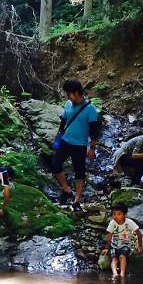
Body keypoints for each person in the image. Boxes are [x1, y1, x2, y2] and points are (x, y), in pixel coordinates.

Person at [51, 79, 100, 211]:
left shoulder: (90, 109)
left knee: (79, 172)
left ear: (77, 93)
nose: (68, 97)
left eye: (69, 94)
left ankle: (77, 199)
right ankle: (67, 189)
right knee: (55, 164)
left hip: (80, 145)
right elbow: (64, 121)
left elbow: (94, 131)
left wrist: (92, 148)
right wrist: (58, 138)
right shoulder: (68, 104)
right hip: (65, 141)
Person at [101, 202, 143, 277]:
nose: (116, 216)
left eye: (119, 214)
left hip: (125, 245)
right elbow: (109, 236)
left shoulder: (129, 222)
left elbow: (139, 234)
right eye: (114, 214)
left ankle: (122, 274)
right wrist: (106, 248)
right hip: (114, 245)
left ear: (125, 215)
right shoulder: (112, 223)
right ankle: (115, 274)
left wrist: (140, 246)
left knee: (122, 257)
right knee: (114, 259)